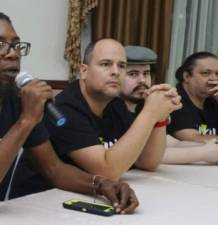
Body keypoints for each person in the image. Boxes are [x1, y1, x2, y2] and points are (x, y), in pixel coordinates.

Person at [0, 10, 138, 219]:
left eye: (16, 45)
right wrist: (26, 120)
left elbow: (54, 169)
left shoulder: (16, 101)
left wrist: (101, 184)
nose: (13, 53)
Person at [45, 39, 182, 180]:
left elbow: (148, 162)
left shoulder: (115, 104)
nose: (116, 72)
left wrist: (160, 118)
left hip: (89, 192)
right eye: (106, 64)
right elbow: (106, 172)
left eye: (122, 66)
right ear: (84, 71)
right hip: (43, 196)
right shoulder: (64, 109)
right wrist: (150, 113)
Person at [121, 46, 218, 164]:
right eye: (133, 74)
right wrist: (203, 153)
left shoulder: (143, 107)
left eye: (146, 73)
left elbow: (174, 143)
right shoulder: (113, 109)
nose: (142, 80)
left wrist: (214, 147)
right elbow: (147, 156)